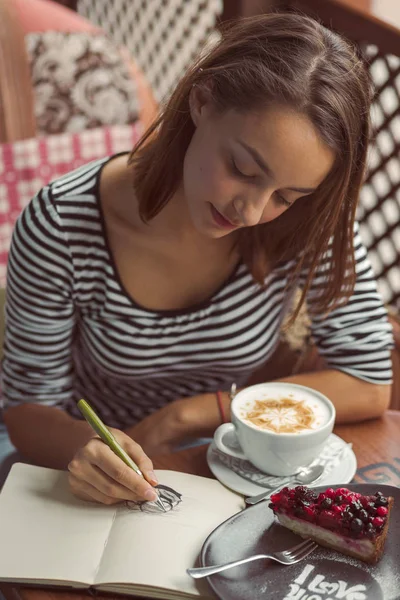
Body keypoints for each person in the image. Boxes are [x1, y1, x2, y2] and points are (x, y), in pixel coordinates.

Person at [1, 13, 394, 503]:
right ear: (202, 100)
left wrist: (189, 415)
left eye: (286, 196)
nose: (251, 212)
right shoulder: (62, 223)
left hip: (219, 461)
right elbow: (27, 408)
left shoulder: (306, 222)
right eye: (243, 168)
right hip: (88, 464)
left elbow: (369, 381)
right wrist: (89, 448)